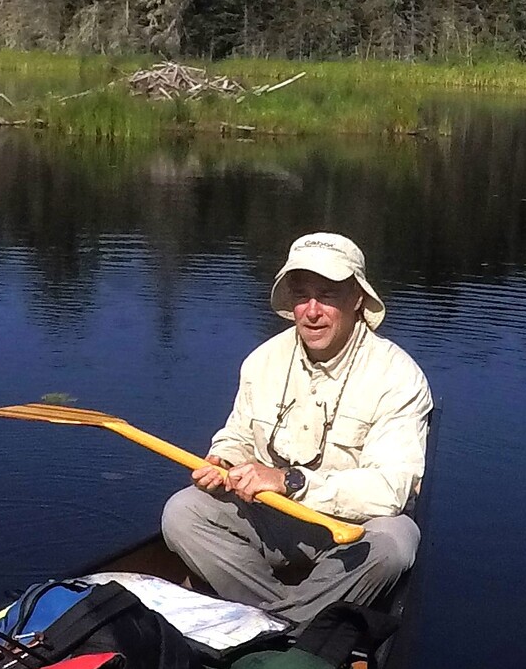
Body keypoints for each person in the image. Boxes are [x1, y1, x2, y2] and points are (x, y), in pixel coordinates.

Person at [162, 233, 431, 625]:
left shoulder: (399, 376)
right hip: (273, 520)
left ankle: (266, 622)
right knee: (182, 513)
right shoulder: (262, 361)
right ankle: (290, 621)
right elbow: (237, 434)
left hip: (352, 528)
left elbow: (390, 490)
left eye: (327, 295)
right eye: (302, 295)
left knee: (395, 546)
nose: (312, 311)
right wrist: (223, 458)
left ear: (358, 298)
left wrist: (289, 481)